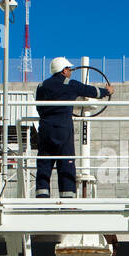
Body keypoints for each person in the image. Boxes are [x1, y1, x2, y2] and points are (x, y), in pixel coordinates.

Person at [34, 56, 113, 198]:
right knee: (66, 163)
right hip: (63, 129)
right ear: (63, 70)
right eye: (69, 69)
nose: (70, 71)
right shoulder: (70, 84)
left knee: (44, 164)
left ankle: (41, 200)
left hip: (45, 129)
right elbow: (91, 91)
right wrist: (107, 91)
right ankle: (67, 201)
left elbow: (39, 107)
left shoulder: (41, 86)